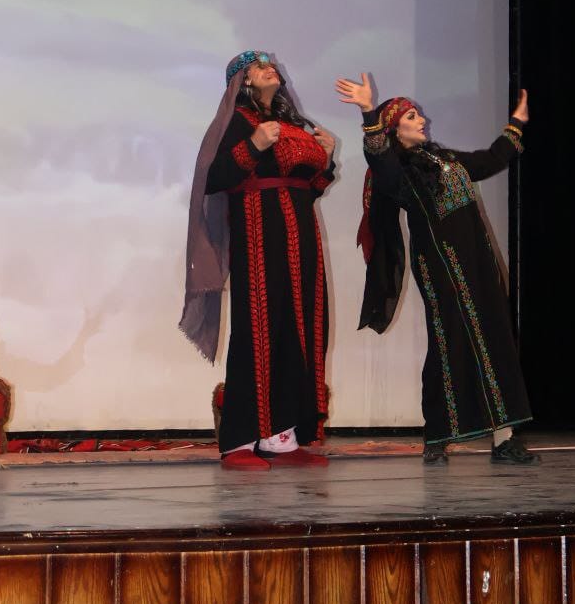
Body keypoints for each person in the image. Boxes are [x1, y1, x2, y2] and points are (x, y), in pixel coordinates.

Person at [335, 73, 537, 464]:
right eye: (412, 116)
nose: (422, 120)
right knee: (450, 344)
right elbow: (379, 157)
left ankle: (504, 438)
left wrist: (516, 124)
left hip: (477, 264)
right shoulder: (398, 173)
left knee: (494, 338)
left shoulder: (443, 159)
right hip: (443, 267)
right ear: (395, 129)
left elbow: (489, 160)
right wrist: (368, 112)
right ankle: (437, 435)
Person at [183, 51, 334, 471]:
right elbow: (214, 178)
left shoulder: (292, 124)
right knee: (260, 328)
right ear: (242, 81)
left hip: (300, 235)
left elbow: (310, 186)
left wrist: (327, 158)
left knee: (300, 325)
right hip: (258, 232)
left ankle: (281, 437)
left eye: (271, 64)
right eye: (258, 65)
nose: (270, 68)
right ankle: (239, 441)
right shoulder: (237, 121)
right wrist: (253, 146)